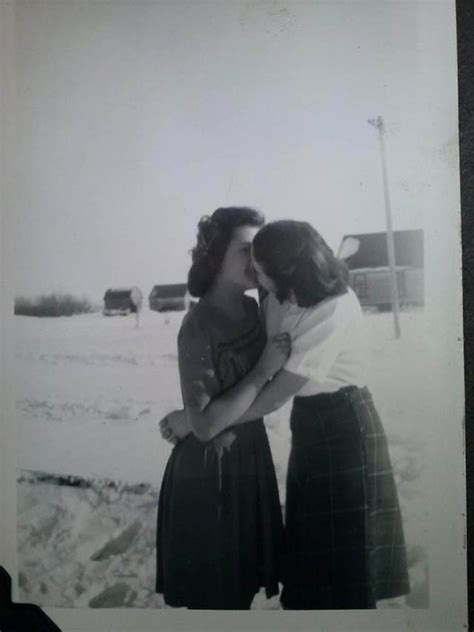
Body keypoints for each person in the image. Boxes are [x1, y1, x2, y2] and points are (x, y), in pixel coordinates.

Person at [164, 219, 410, 609]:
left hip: (344, 428)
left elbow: (274, 394)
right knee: (310, 564)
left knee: (339, 571)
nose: (256, 276)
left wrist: (198, 423)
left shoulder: (331, 307)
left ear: (287, 270)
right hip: (311, 424)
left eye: (261, 270)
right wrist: (196, 414)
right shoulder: (282, 296)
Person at [156, 207, 289, 610]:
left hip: (250, 463)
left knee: (240, 596)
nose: (257, 261)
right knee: (216, 601)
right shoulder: (198, 325)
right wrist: (263, 368)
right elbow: (206, 425)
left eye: (260, 251)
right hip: (208, 476)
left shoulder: (259, 309)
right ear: (215, 256)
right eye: (246, 250)